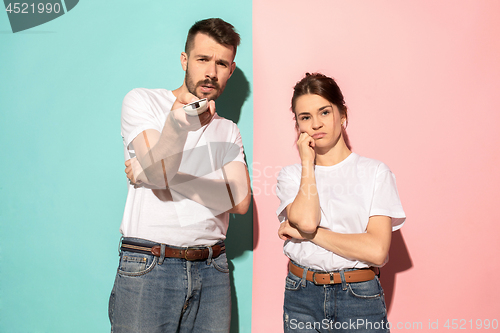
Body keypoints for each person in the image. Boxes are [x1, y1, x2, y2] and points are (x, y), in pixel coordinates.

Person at [108, 18, 251, 333]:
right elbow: (158, 175)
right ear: (185, 60)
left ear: (230, 69)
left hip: (212, 269)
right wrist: (176, 125)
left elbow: (239, 202)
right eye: (203, 59)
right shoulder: (143, 101)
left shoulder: (228, 130)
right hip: (150, 262)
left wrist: (153, 173)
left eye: (222, 63)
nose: (211, 71)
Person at [276, 73, 406, 332]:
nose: (315, 124)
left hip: (358, 296)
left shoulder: (375, 172)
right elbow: (307, 219)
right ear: (298, 126)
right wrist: (306, 163)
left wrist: (308, 235)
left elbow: (377, 251)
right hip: (302, 294)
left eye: (324, 112)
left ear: (343, 115)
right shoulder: (291, 176)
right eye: (305, 117)